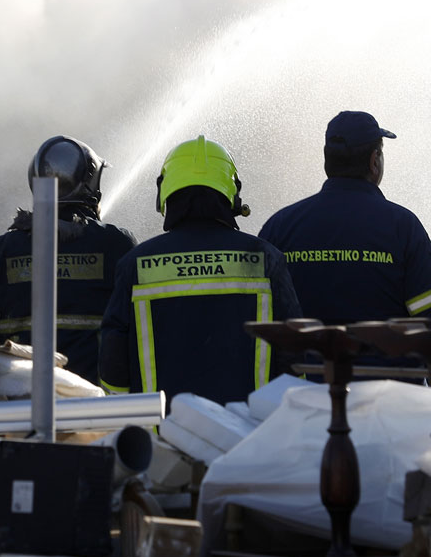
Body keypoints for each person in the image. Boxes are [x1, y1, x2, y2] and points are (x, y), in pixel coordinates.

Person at [99, 136, 301, 404]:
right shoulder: (265, 258)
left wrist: (128, 421)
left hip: (160, 437)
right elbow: (295, 350)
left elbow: (113, 359)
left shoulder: (135, 263)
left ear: (165, 191)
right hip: (250, 434)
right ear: (232, 191)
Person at [0, 136, 137, 383]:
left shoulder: (4, 250)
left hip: (19, 399)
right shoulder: (117, 245)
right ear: (89, 183)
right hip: (96, 403)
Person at [257, 111, 431, 335]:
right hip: (387, 371)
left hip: (300, 370)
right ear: (374, 161)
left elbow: (257, 321)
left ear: (328, 161)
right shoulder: (402, 227)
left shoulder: (279, 227)